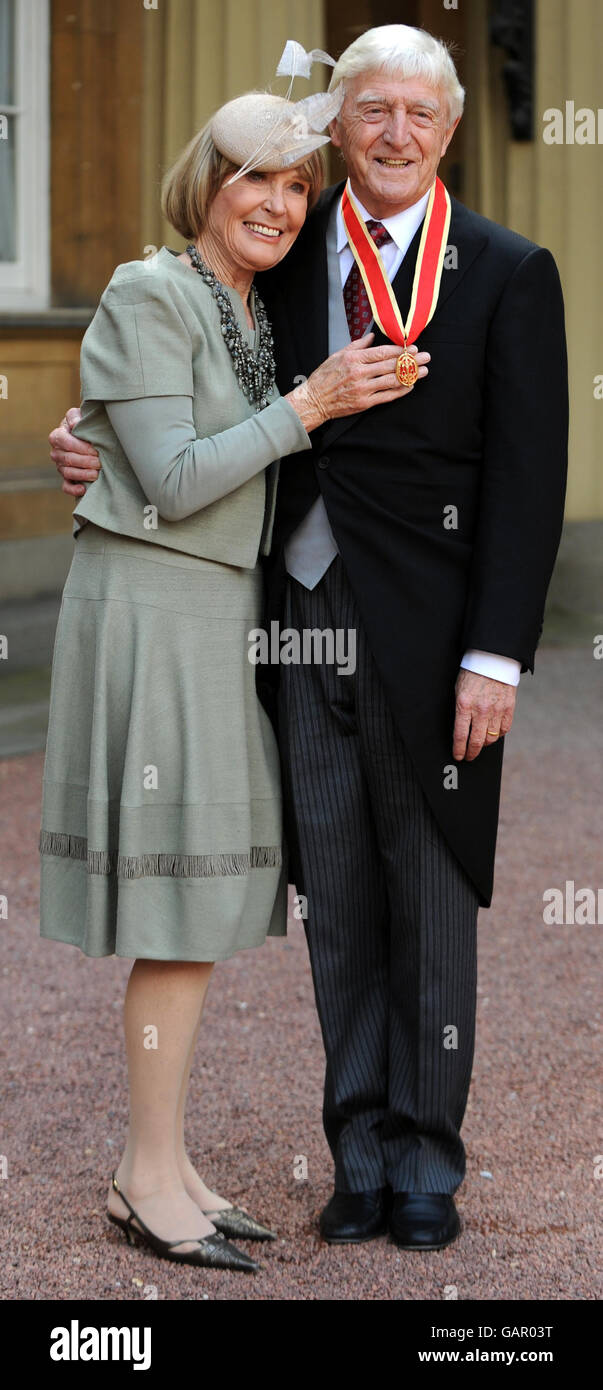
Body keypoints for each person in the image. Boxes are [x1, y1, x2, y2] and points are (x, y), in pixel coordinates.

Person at [50, 24, 568, 1254]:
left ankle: (427, 1160)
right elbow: (184, 397)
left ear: (447, 130)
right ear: (341, 126)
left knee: (430, 896)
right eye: (370, 110)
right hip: (283, 618)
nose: (393, 133)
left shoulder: (506, 268)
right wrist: (95, 438)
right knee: (333, 894)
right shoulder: (276, 256)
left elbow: (530, 479)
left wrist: (497, 653)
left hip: (434, 638)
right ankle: (358, 1151)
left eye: (419, 114)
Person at [40, 68, 429, 1273]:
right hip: (155, 618)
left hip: (219, 616)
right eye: (253, 174)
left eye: (295, 182)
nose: (276, 200)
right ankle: (146, 1174)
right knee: (174, 901)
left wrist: (94, 443)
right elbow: (172, 477)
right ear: (205, 185)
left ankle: (158, 1164)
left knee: (197, 906)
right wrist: (308, 407)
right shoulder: (150, 288)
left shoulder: (254, 307)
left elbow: (153, 454)